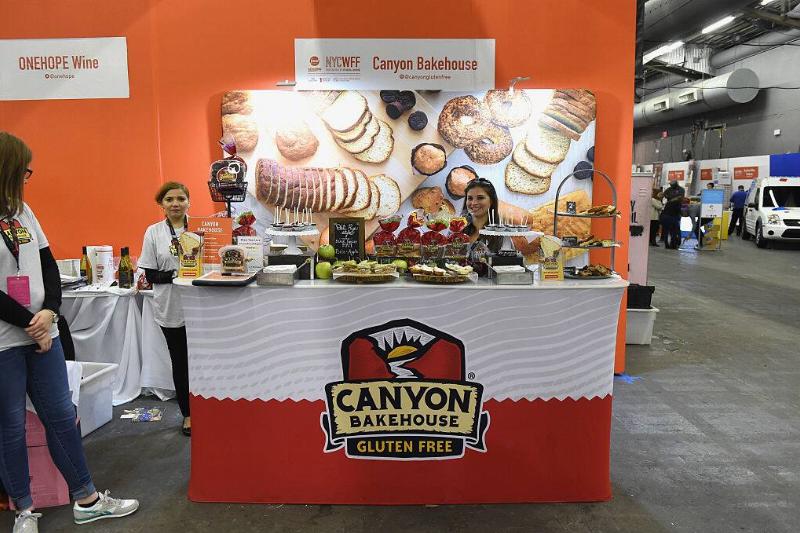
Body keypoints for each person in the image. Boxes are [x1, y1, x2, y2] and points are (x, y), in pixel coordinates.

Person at [0, 132, 139, 532]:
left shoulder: (23, 211)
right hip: (7, 342)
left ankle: (87, 499)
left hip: (43, 335)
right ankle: (24, 511)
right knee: (9, 426)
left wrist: (49, 311)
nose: (28, 177)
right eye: (24, 170)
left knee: (61, 416)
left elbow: (48, 266)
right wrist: (32, 324)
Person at [138, 182, 192, 436]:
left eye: (181, 198)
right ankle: (189, 414)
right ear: (162, 204)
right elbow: (149, 273)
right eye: (169, 199)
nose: (175, 203)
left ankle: (213, 409)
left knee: (206, 361)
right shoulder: (154, 232)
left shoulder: (203, 228)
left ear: (188, 202)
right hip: (171, 307)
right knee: (180, 362)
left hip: (203, 306)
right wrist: (177, 274)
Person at [461, 178, 502, 254]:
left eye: (480, 198)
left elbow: (511, 264)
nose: (473, 203)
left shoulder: (502, 235)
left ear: (492, 201)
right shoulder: (457, 229)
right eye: (470, 198)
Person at [659, 180, 684, 249]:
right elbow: (663, 195)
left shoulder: (681, 189)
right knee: (672, 231)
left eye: (672, 185)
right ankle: (670, 244)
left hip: (674, 212)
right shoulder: (669, 190)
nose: (671, 186)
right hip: (670, 213)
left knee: (673, 231)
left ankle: (673, 244)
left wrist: (670, 198)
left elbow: (680, 197)